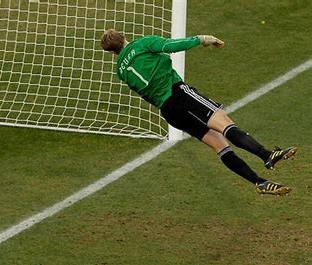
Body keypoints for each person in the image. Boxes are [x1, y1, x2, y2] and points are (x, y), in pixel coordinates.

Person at [100, 29, 298, 196]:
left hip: (169, 112)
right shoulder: (142, 44)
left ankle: (259, 182)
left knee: (220, 146)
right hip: (180, 94)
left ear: (112, 52)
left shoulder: (121, 72)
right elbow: (171, 45)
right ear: (124, 37)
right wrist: (201, 39)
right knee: (225, 125)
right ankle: (267, 155)